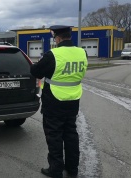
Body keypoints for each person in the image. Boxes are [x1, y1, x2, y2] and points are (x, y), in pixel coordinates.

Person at [30, 25, 88, 178]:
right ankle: (72, 169)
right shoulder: (82, 53)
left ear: (57, 38)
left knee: (54, 136)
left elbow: (36, 72)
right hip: (73, 100)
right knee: (70, 134)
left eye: (54, 37)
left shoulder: (53, 55)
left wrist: (36, 64)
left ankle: (55, 170)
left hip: (54, 101)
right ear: (69, 36)